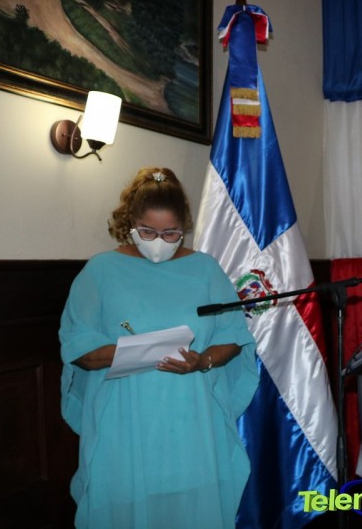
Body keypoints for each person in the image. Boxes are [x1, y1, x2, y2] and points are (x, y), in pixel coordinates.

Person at [59, 167, 259, 528]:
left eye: (170, 233)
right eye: (148, 231)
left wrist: (203, 360)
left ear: (184, 226)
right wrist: (136, 350)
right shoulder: (100, 271)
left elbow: (233, 336)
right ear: (130, 223)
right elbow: (79, 348)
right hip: (125, 420)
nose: (159, 241)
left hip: (192, 422)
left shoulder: (205, 269)